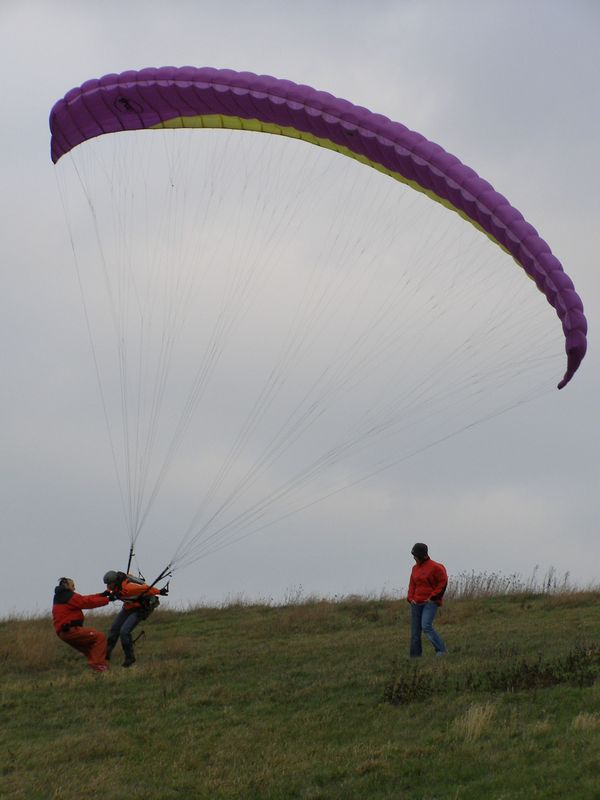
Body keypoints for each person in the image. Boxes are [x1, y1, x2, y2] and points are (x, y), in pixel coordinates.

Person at [103, 570, 168, 667]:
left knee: (124, 631)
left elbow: (146, 589)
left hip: (139, 609)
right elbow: (110, 590)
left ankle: (130, 657)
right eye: (107, 584)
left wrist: (159, 591)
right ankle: (106, 654)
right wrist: (107, 593)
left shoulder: (130, 588)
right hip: (128, 607)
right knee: (114, 629)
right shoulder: (113, 586)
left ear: (115, 581)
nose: (109, 586)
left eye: (110, 584)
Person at [52, 577, 114, 672]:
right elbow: (87, 602)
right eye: (72, 586)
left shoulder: (62, 596)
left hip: (64, 633)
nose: (74, 588)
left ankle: (98, 671)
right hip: (71, 630)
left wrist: (102, 595)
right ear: (66, 585)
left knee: (90, 648)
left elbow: (84, 598)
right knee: (100, 637)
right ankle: (99, 666)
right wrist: (108, 599)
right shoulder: (68, 596)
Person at [407, 542, 448, 657]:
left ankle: (441, 650)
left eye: (415, 555)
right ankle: (415, 657)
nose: (413, 557)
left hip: (430, 603)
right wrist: (410, 599)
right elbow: (412, 585)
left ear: (421, 555)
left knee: (426, 626)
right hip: (416, 603)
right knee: (415, 633)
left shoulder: (436, 567)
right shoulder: (414, 568)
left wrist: (433, 597)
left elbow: (443, 582)